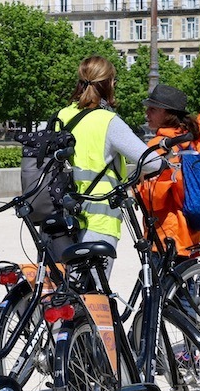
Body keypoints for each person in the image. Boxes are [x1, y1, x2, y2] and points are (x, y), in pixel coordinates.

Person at [55, 56, 161, 253]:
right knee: (95, 283)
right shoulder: (108, 121)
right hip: (99, 216)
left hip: (63, 214)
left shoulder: (62, 115)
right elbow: (151, 163)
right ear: (108, 84)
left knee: (67, 281)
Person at [138, 84, 200, 256]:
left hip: (167, 236)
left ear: (168, 114)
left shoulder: (157, 147)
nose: (147, 114)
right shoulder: (192, 138)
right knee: (188, 281)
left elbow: (153, 200)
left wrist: (138, 187)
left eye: (153, 109)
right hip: (194, 232)